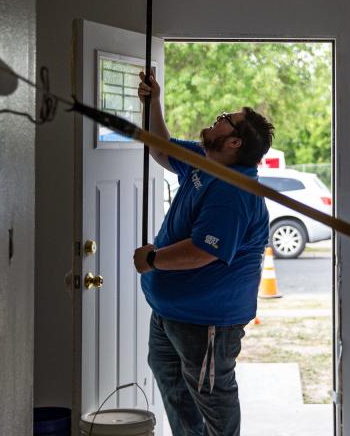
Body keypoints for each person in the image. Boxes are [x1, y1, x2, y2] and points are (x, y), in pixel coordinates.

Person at [132, 71, 274, 436]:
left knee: (212, 399)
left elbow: (202, 251)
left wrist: (153, 260)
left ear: (234, 144)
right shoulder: (206, 161)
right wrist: (153, 102)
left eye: (222, 122)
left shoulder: (235, 192)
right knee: (174, 388)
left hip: (206, 321)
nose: (214, 122)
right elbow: (161, 148)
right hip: (171, 312)